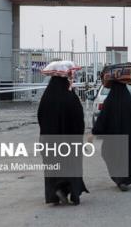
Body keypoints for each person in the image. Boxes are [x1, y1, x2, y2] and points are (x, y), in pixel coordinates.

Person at [38, 75, 88, 205]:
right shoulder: (71, 98)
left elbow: (40, 118)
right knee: (72, 165)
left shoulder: (46, 98)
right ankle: (73, 194)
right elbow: (79, 118)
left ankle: (55, 192)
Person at [92, 80, 131, 191]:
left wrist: (96, 131)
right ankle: (124, 180)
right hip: (130, 138)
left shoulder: (109, 101)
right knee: (129, 155)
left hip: (113, 139)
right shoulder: (130, 101)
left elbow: (103, 118)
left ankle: (120, 179)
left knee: (110, 154)